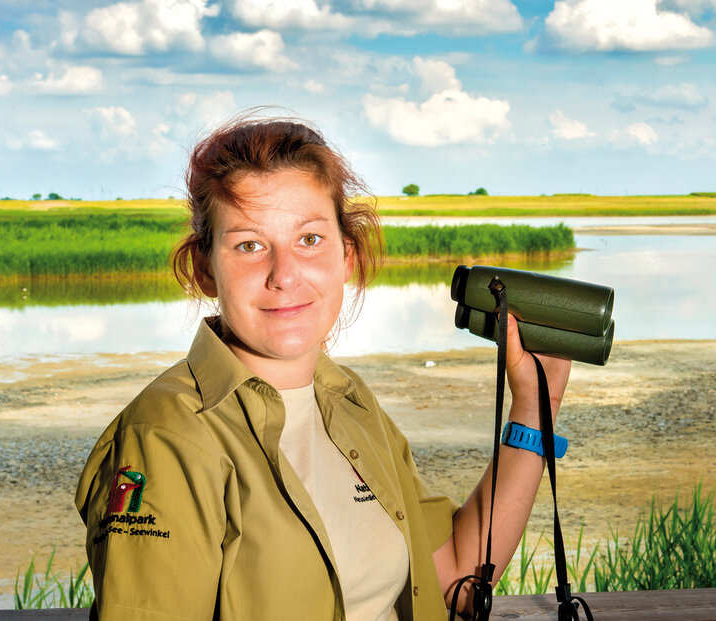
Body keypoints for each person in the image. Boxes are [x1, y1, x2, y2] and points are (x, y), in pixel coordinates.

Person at [75, 114, 571, 620]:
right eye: (248, 245)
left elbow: (456, 581)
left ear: (346, 257)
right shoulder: (166, 439)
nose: (284, 275)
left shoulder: (347, 400)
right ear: (205, 269)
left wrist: (536, 404)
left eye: (309, 239)